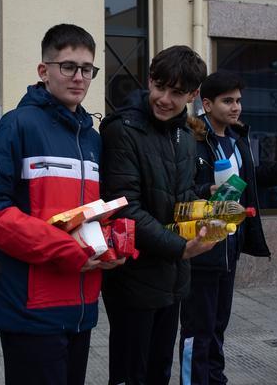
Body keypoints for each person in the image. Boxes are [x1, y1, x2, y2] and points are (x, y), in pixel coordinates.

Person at [0, 23, 125, 385]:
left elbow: (88, 212)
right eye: (68, 67)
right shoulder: (15, 126)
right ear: (44, 71)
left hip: (82, 304)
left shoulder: (91, 138)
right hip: (31, 307)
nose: (79, 77)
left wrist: (108, 244)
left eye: (87, 69)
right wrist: (68, 250)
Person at [99, 45, 216, 385]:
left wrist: (206, 208)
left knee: (159, 370)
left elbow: (178, 198)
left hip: (173, 276)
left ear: (193, 94)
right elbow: (124, 206)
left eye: (177, 93)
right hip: (132, 276)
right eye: (159, 86)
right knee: (130, 372)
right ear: (149, 80)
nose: (164, 98)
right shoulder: (122, 129)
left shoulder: (185, 134)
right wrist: (180, 247)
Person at [180, 71, 277, 385]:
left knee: (219, 322)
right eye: (227, 101)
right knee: (198, 327)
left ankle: (215, 378)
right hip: (202, 244)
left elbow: (250, 177)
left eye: (238, 101)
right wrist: (208, 190)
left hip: (230, 244)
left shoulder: (237, 139)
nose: (236, 107)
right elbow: (183, 189)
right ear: (206, 104)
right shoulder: (191, 140)